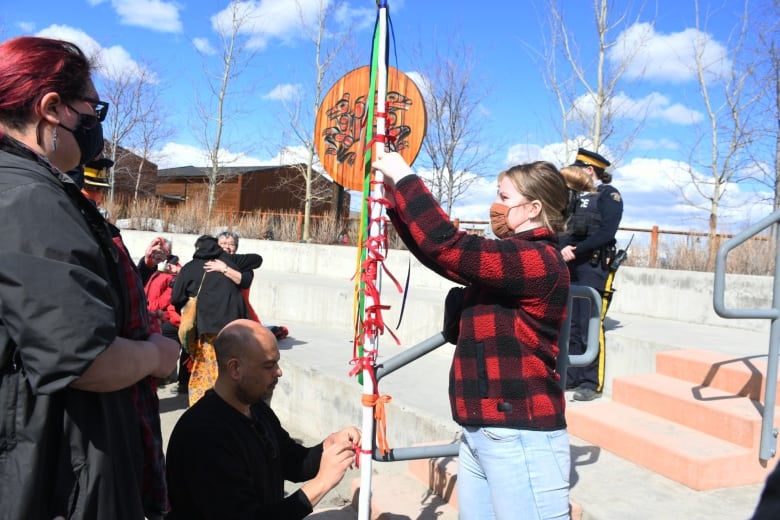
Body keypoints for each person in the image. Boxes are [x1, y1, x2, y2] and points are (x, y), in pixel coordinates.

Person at [0, 36, 179, 519]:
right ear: (52, 108)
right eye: (92, 108)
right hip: (55, 479)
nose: (97, 124)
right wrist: (156, 355)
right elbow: (84, 358)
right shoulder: (26, 199)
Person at [372, 151, 572, 520]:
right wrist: (396, 201)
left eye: (505, 198)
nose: (496, 206)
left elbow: (450, 246)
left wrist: (405, 177)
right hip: (484, 431)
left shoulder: (539, 260)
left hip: (520, 435)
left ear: (533, 209)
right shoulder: (513, 258)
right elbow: (441, 256)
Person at [165, 319, 360, 519]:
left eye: (277, 362)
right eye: (268, 365)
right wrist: (321, 484)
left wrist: (327, 447)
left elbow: (293, 462)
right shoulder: (203, 436)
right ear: (235, 369)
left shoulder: (256, 409)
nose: (279, 372)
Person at [75, 155, 180, 517]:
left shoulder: (98, 225)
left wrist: (145, 265)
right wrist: (152, 354)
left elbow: (115, 288)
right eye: (90, 191)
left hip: (130, 383)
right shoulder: (70, 225)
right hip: (111, 391)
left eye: (98, 192)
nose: (96, 199)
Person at [559, 148, 624, 402]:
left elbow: (607, 231)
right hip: (570, 264)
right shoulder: (572, 195)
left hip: (594, 266)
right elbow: (561, 226)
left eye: (578, 168)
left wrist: (577, 250)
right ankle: (572, 375)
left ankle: (590, 382)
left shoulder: (609, 194)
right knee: (571, 323)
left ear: (589, 170)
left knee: (590, 323)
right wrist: (561, 249)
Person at [171, 234, 263, 406]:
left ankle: (204, 406)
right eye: (223, 244)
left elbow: (176, 297)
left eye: (231, 244)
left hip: (209, 328)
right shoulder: (234, 261)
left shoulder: (195, 266)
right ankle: (230, 404)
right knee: (231, 367)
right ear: (216, 246)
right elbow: (257, 259)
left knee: (206, 368)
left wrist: (225, 268)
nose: (227, 247)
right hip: (236, 327)